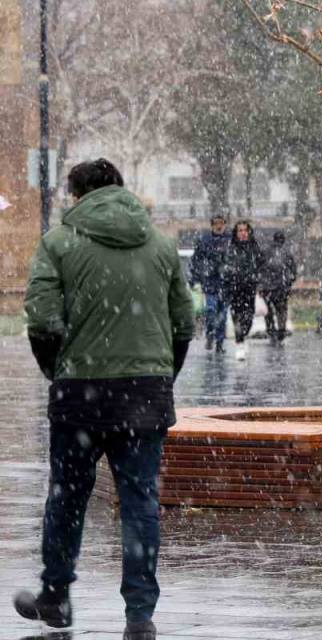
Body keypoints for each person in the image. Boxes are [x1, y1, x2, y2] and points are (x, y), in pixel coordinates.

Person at [16, 159, 194, 640]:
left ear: (77, 196)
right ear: (119, 188)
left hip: (81, 394)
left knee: (67, 497)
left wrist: (61, 371)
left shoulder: (58, 244)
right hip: (145, 393)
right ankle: (139, 615)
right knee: (140, 502)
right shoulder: (160, 244)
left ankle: (56, 595)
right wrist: (159, 373)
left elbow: (42, 320)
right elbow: (184, 323)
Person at [190, 214, 230, 352]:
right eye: (216, 223)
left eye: (221, 223)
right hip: (210, 282)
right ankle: (210, 335)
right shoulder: (204, 240)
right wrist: (195, 279)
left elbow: (235, 259)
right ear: (212, 225)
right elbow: (196, 260)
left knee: (223, 315)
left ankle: (219, 343)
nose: (219, 226)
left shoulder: (229, 240)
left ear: (224, 224)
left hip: (225, 284)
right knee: (211, 311)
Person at [222, 220, 262, 360]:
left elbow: (261, 266)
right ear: (236, 233)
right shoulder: (231, 248)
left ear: (249, 231)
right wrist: (231, 273)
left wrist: (257, 280)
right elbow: (225, 266)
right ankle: (239, 343)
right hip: (234, 289)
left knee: (248, 318)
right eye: (240, 230)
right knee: (236, 317)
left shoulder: (254, 247)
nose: (243, 233)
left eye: (245, 230)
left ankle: (243, 337)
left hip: (249, 288)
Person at [259, 230, 298, 344]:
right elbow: (293, 272)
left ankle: (271, 331)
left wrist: (261, 285)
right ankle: (281, 331)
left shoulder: (266, 252)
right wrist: (288, 283)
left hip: (268, 288)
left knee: (269, 311)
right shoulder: (287, 253)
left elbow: (260, 269)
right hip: (282, 288)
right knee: (281, 310)